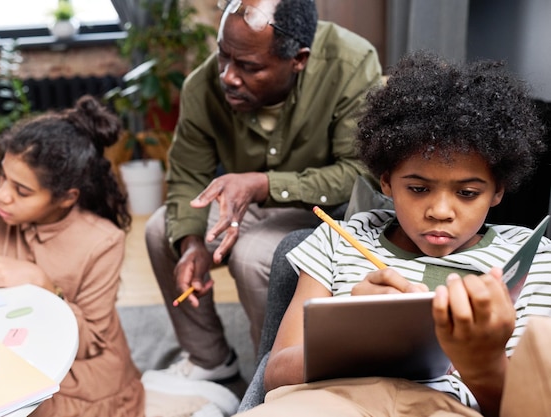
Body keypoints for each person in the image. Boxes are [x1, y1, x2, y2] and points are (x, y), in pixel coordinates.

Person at [236, 50, 551, 417]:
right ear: (386, 181)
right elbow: (275, 374)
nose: (440, 211)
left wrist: (481, 362)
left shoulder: (532, 258)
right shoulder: (340, 239)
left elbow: (527, 408)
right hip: (331, 402)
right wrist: (356, 332)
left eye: (467, 193)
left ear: (498, 189)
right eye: (418, 189)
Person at [145, 0, 382, 382]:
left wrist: (263, 185)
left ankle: (269, 374)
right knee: (162, 230)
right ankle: (210, 360)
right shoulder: (203, 85)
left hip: (327, 210)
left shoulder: (350, 64)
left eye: (249, 67)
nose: (228, 76)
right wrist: (191, 244)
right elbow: (187, 176)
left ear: (298, 59)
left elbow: (358, 173)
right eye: (223, 56)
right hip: (245, 199)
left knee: (254, 255)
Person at [0, 96, 144, 417]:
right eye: (3, 177)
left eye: (22, 191)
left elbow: (91, 342)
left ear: (67, 198)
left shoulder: (103, 241)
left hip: (81, 372)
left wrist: (43, 284)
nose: (2, 193)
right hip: (6, 349)